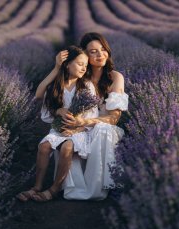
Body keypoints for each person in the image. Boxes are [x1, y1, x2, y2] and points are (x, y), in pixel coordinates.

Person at [37, 32, 129, 200]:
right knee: (67, 142)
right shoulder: (80, 76)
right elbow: (45, 94)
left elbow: (113, 118)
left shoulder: (115, 77)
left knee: (102, 129)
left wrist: (84, 122)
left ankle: (97, 189)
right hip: (78, 129)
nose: (100, 55)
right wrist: (57, 67)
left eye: (102, 49)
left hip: (103, 128)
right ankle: (67, 187)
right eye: (93, 51)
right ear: (85, 55)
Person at [16, 45, 98, 202]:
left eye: (86, 66)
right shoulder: (55, 86)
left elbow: (92, 115)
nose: (84, 68)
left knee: (67, 147)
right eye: (80, 64)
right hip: (59, 130)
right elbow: (46, 113)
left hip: (80, 131)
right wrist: (58, 111)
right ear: (67, 64)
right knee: (43, 146)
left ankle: (54, 189)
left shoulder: (87, 86)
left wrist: (77, 127)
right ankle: (37, 186)